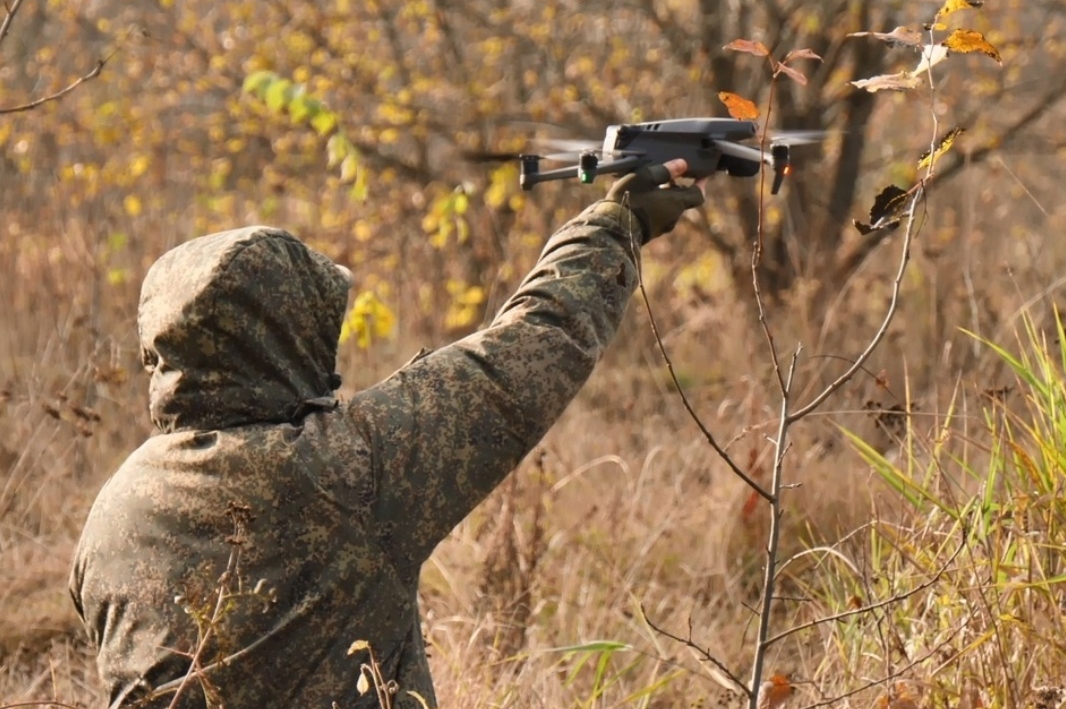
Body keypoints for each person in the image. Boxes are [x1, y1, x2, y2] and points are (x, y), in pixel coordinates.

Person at [70, 160, 705, 709]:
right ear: (282, 336)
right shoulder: (350, 468)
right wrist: (620, 220)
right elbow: (537, 340)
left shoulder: (113, 510)